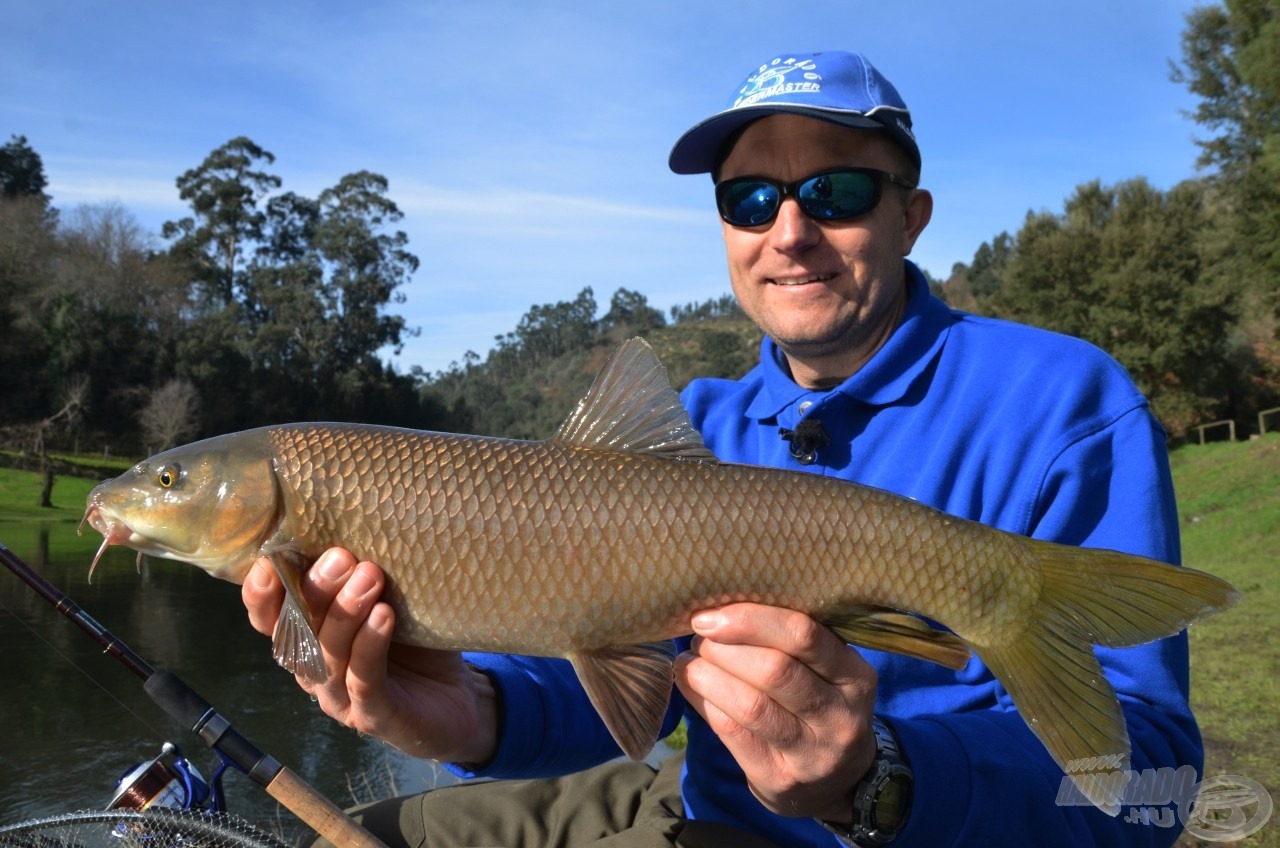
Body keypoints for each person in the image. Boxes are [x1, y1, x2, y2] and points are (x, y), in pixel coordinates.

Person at [242, 51, 1201, 847]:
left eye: (836, 190)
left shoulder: (1063, 400)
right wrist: (466, 715)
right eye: (749, 198)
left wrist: (880, 781)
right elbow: (621, 688)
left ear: (910, 215)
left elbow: (1153, 785)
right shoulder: (695, 424)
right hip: (701, 809)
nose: (790, 231)